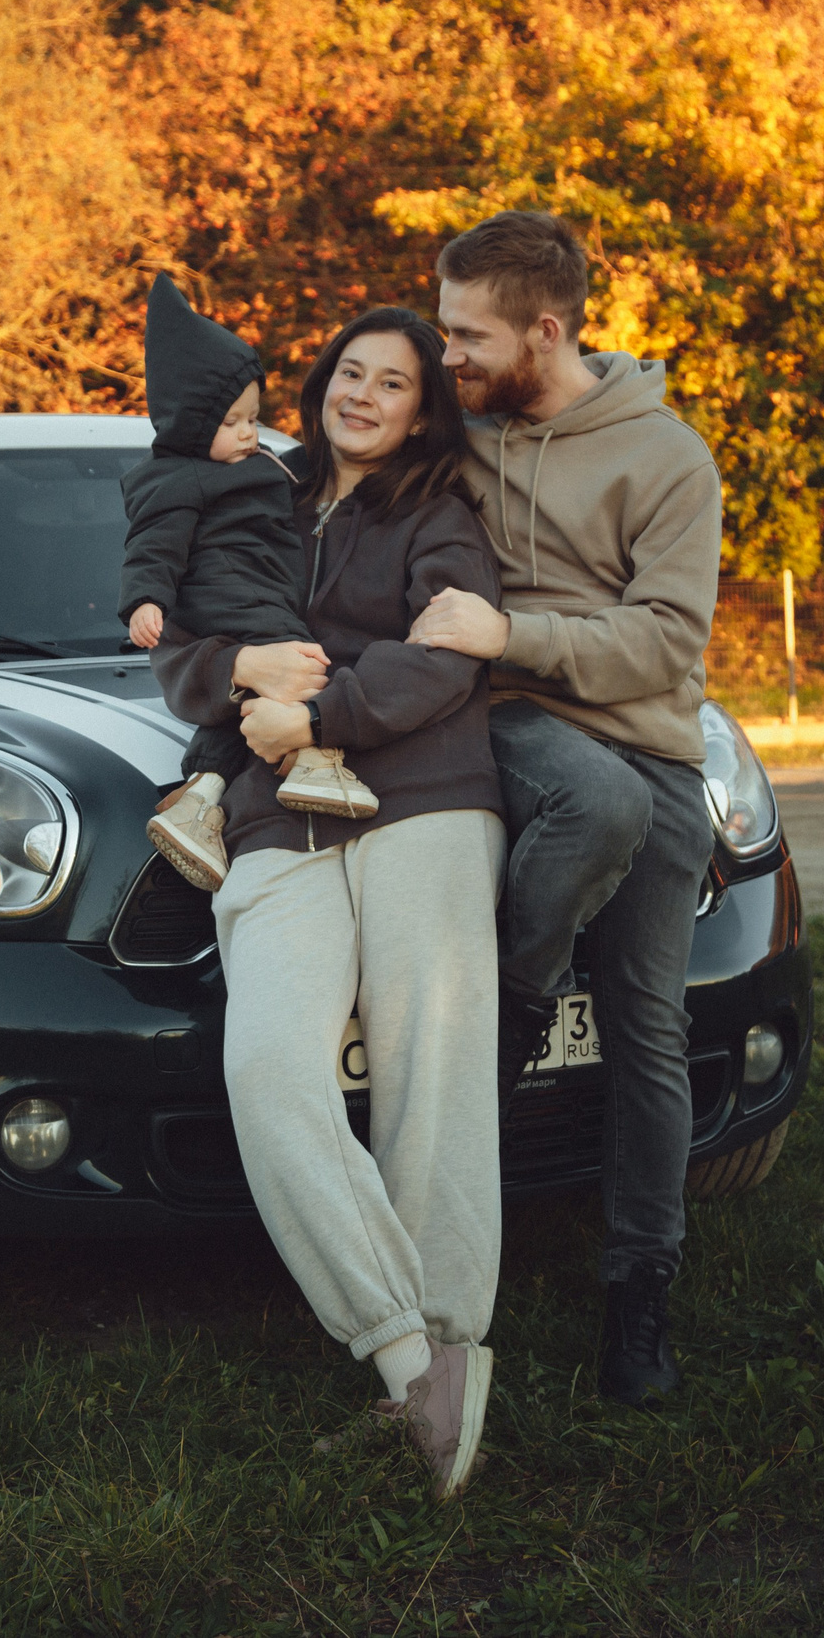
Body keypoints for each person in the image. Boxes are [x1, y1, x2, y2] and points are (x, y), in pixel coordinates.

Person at [149, 305, 506, 1500]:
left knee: (430, 1066)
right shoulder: (249, 489)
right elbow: (179, 645)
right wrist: (238, 672)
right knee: (268, 1068)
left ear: (420, 409)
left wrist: (325, 712)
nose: (362, 394)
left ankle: (448, 1345)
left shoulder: (438, 514)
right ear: (321, 382)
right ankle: (408, 1357)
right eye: (349, 371)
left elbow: (446, 655)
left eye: (392, 382)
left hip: (424, 799)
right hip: (274, 815)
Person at [406, 210, 726, 1408]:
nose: (451, 358)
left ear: (546, 331)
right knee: (583, 806)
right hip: (512, 731)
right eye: (443, 334)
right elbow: (351, 441)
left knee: (650, 1032)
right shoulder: (463, 431)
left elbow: (663, 643)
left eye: (468, 336)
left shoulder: (668, 458)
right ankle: (516, 1011)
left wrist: (512, 634)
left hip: (643, 744)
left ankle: (640, 1288)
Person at [123, 275, 378, 891]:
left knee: (244, 703)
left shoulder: (259, 464)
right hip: (231, 594)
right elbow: (152, 546)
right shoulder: (175, 480)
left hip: (259, 589)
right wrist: (145, 600)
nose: (248, 433)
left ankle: (199, 803)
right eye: (232, 421)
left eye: (254, 418)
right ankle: (314, 760)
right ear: (188, 423)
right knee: (303, 663)